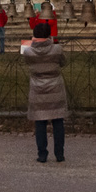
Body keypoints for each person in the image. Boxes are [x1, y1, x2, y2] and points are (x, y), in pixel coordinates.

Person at [22, 25, 69, 162]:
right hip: (55, 87)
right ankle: (59, 154)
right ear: (49, 34)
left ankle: (42, 154)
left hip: (38, 88)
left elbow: (28, 63)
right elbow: (63, 62)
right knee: (58, 121)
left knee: (40, 122)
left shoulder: (28, 52)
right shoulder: (57, 49)